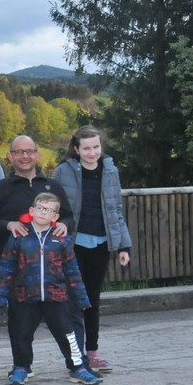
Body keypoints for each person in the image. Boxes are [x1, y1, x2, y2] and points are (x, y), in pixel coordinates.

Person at [0, 135, 83, 377]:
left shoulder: (53, 187)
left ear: (37, 154)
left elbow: (68, 216)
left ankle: (77, 365)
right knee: (20, 325)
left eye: (29, 151)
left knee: (65, 325)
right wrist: (8, 225)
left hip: (53, 271)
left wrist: (65, 226)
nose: (24, 156)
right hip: (18, 270)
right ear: (10, 156)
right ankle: (21, 367)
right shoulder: (0, 189)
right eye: (18, 152)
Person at [0, 193, 100, 385]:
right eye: (40, 208)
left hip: (56, 296)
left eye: (49, 210)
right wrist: (0, 296)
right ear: (32, 211)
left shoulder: (62, 240)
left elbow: (72, 271)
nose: (43, 213)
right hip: (24, 296)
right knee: (21, 333)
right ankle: (21, 367)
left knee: (68, 334)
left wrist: (81, 298)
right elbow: (6, 267)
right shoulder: (19, 236)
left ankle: (78, 367)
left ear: (55, 217)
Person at [53, 125, 132, 372]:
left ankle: (92, 353)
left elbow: (115, 210)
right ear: (76, 149)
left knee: (92, 300)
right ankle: (74, 356)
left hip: (100, 243)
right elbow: (53, 207)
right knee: (72, 300)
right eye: (86, 148)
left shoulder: (110, 171)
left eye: (96, 147)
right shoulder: (63, 171)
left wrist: (123, 245)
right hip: (72, 244)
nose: (92, 152)